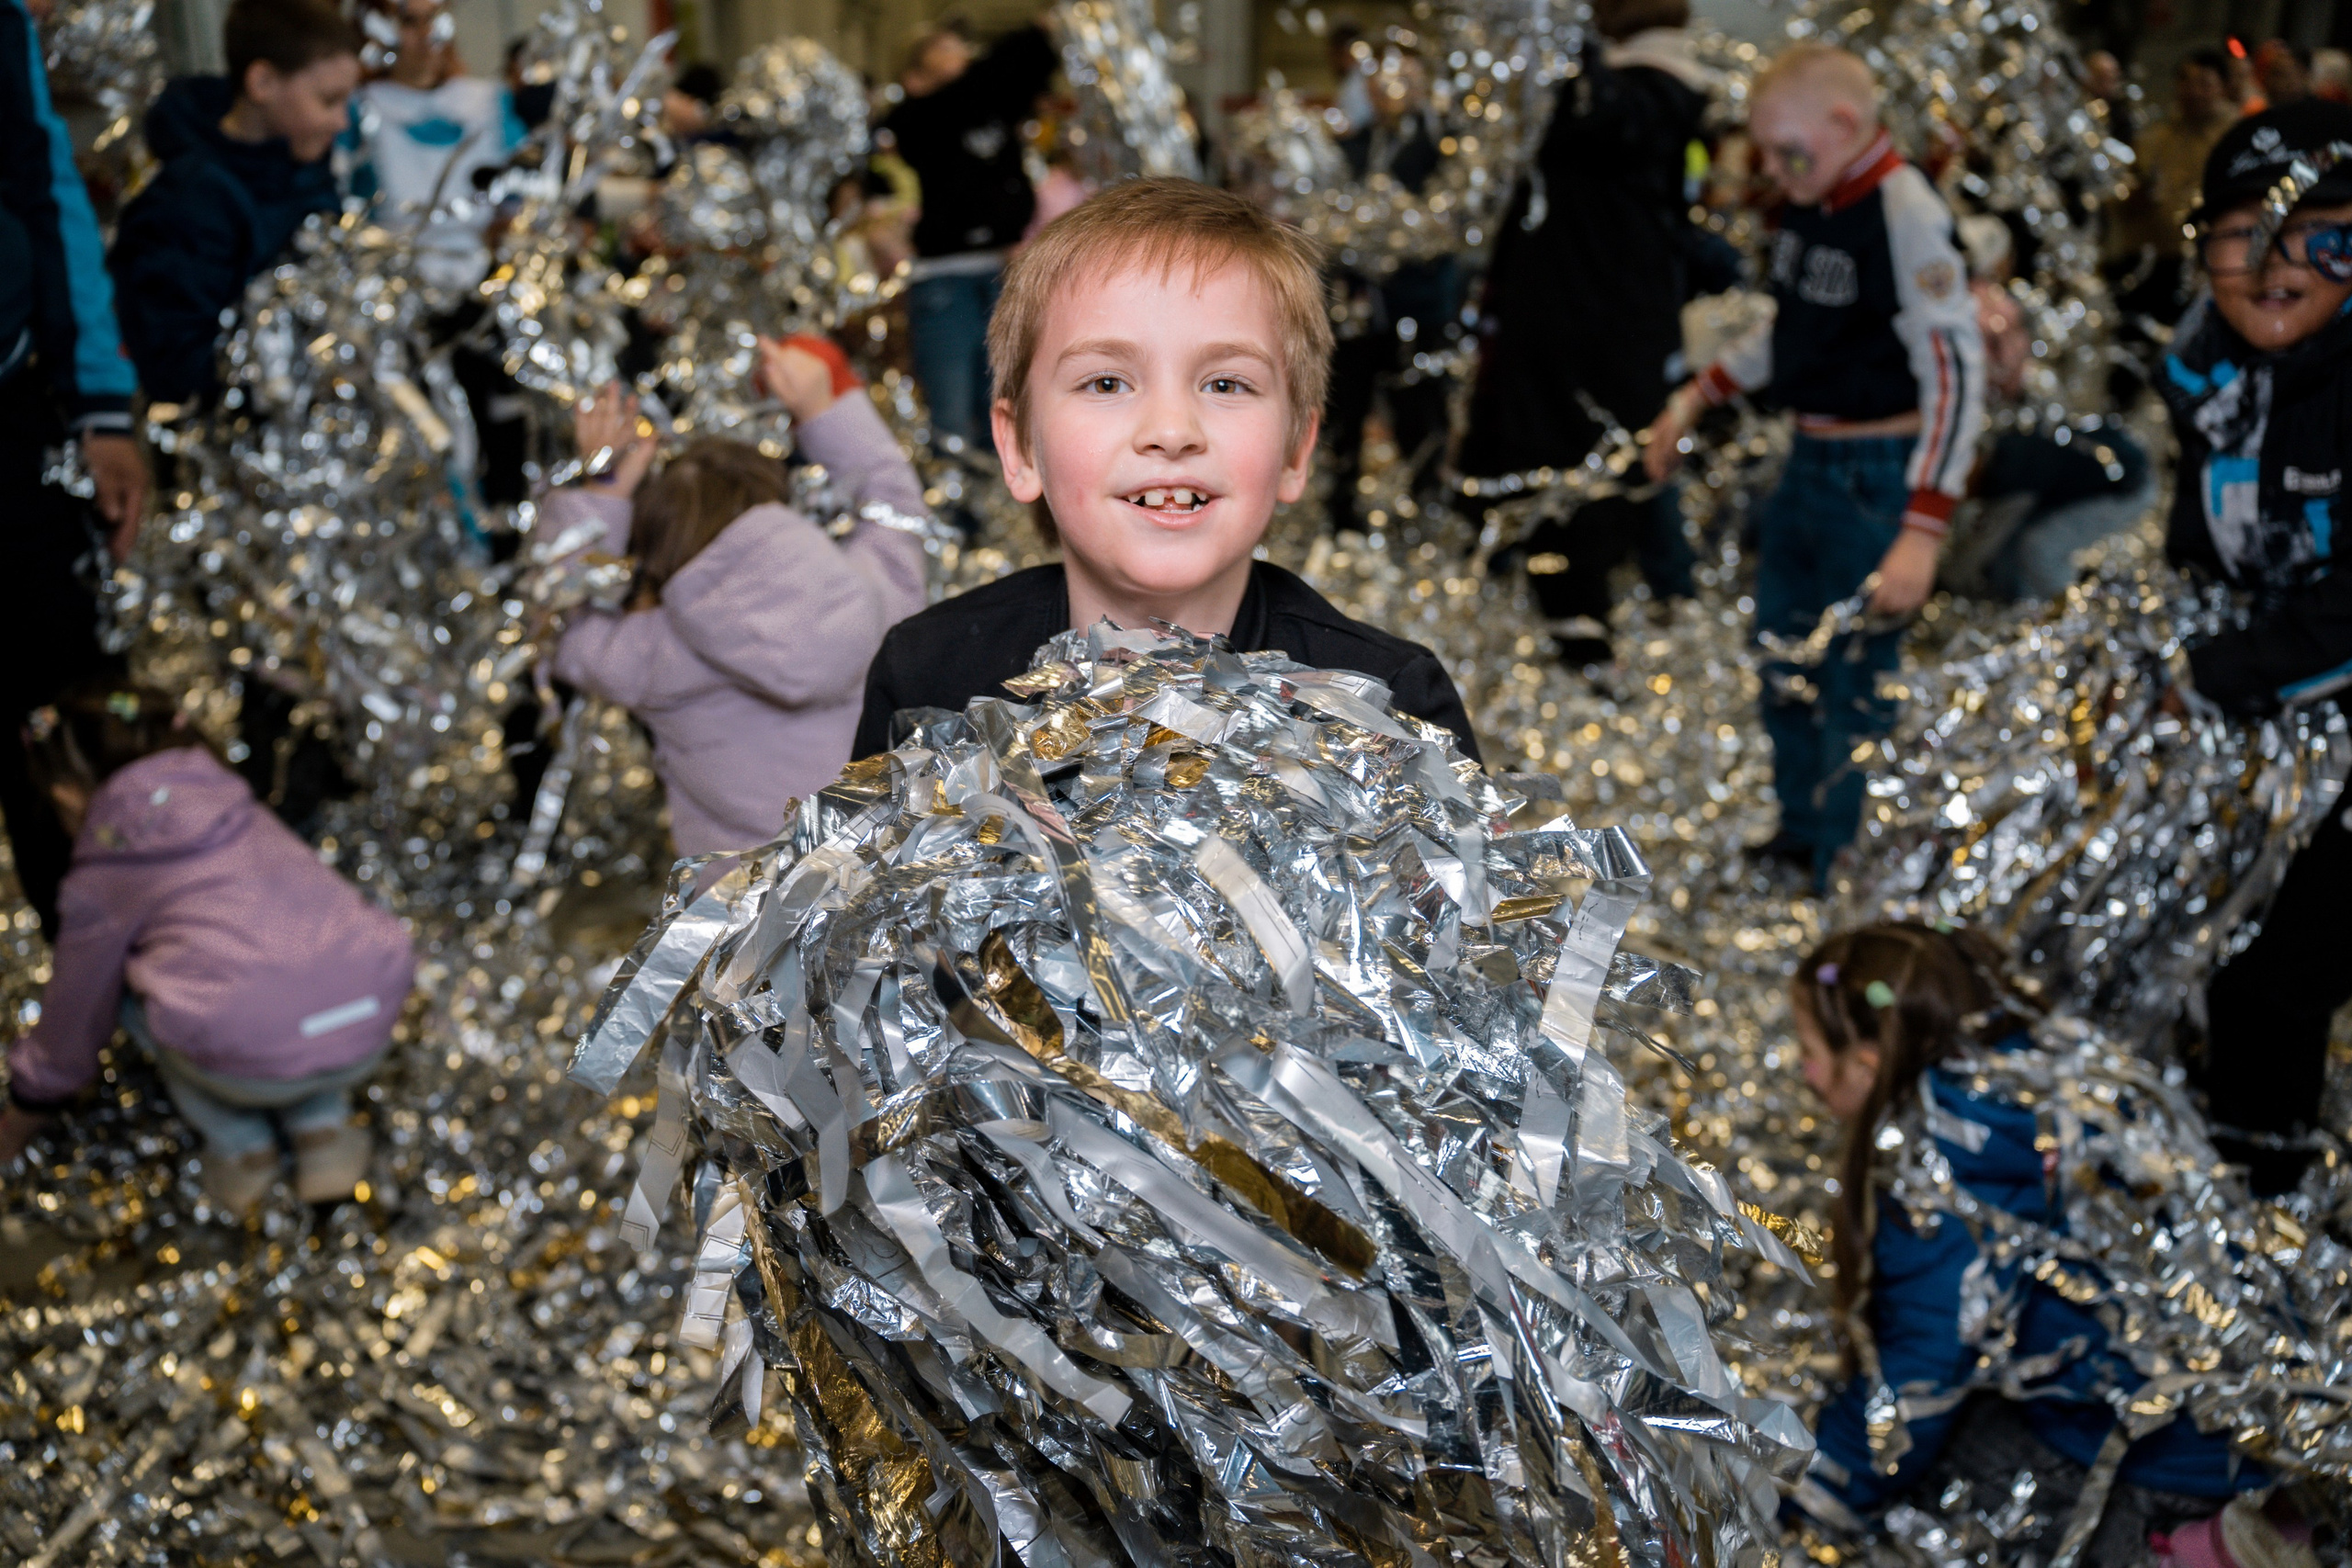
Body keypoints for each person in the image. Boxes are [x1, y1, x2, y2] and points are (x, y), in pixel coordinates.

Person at [853, 178, 1479, 761]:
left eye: (1226, 383)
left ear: (1295, 451)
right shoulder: (927, 679)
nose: (1172, 431)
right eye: (1106, 381)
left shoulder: (1389, 706)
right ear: (1019, 449)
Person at [1784, 924, 2275, 1565]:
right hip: (2246, 1398)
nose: (1802, 1070)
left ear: (1869, 1064)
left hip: (2175, 1451)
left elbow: (1916, 1381)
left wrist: (1805, 1497)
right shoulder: (2033, 1061)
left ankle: (2181, 1543)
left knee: (1957, 1470)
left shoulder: (1941, 1180)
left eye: (1809, 1049)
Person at [1645, 43, 1984, 886]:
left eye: (1787, 150)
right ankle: (1801, 837)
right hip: (1812, 457)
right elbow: (1788, 329)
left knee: (1857, 683)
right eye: (1764, 151)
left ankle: (1844, 856)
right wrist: (1697, 396)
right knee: (1784, 658)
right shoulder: (1812, 199)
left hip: (1878, 470)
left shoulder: (1902, 209)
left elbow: (1955, 364)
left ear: (1846, 124)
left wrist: (1923, 525)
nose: (1772, 168)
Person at [0, 682, 415, 1213]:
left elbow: (75, 1019)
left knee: (123, 990)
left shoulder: (105, 873)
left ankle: (243, 1148)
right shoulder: (241, 808)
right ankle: (323, 1130)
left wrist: (28, 1106)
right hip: (369, 1017)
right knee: (290, 978)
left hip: (246, 1061)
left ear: (66, 796)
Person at [2156, 100, 2352, 1195]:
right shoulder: (2206, 371)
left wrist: (2220, 675)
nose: (2273, 264)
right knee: (2213, 943)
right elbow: (2204, 543)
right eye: (2240, 234)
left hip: (2319, 704)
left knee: (2276, 978)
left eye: (2318, 233)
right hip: (2279, 714)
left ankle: (2269, 1215)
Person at [543, 337, 928, 862]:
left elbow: (555, 623)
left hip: (747, 922)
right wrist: (823, 407)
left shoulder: (655, 655)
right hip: (888, 879)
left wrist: (604, 489)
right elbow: (895, 507)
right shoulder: (872, 593)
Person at [1459, 0, 1714, 668]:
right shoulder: (1628, 93)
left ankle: (1588, 634)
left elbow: (1598, 117)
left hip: (1592, 339)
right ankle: (1576, 624)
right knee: (1569, 481)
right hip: (1581, 332)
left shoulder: (1647, 95)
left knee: (1591, 485)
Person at [2, 0, 149, 942]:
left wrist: (100, 406)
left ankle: (116, 991)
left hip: (15, 413)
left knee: (75, 711)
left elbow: (45, 188)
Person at [107, 0, 359, 406]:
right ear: (262, 82)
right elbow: (177, 365)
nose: (341, 121)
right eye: (329, 101)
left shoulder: (308, 169)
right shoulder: (189, 202)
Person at [1947, 213, 2153, 600]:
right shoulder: (1985, 306)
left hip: (2123, 479)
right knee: (2014, 553)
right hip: (2092, 458)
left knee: (2038, 550)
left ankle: (2059, 627)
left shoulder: (2016, 464)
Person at [879, 17, 1059, 451]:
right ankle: (959, 512)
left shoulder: (987, 104)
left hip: (998, 270)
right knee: (953, 415)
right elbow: (984, 79)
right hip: (945, 280)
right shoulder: (916, 117)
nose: (961, 54)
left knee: (1003, 406)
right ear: (915, 77)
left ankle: (1000, 507)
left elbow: (1022, 76)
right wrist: (1033, 30)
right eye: (945, 49)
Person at [1323, 47, 1459, 535]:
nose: (1389, 89)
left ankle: (1427, 513)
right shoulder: (1351, 148)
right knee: (1346, 414)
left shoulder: (1443, 149)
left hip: (1417, 307)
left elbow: (1448, 224)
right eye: (1379, 80)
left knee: (1419, 415)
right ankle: (1340, 516)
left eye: (1402, 78)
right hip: (1356, 308)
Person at [354, 0, 517, 289]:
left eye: (434, 19)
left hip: (487, 282)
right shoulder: (358, 110)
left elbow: (524, 195)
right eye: (408, 22)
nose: (426, 34)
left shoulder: (490, 103)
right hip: (390, 286)